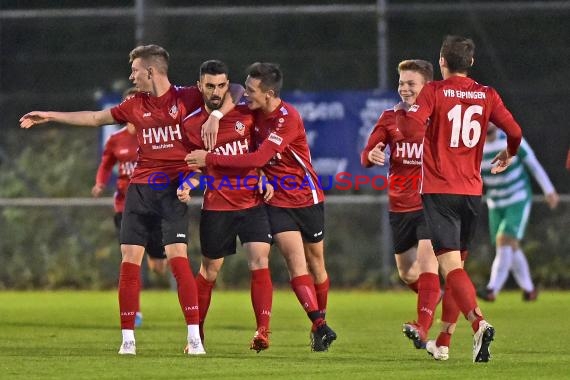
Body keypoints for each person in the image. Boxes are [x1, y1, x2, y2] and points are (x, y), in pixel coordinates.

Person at [20, 44, 244, 356]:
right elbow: (96, 117)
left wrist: (216, 115)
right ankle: (128, 340)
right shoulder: (134, 104)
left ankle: (194, 338)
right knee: (129, 259)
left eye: (135, 70)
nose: (131, 75)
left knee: (179, 257)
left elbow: (236, 87)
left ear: (151, 71)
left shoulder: (186, 96)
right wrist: (50, 115)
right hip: (140, 191)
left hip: (172, 190)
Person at [186, 62, 337, 352]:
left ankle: (320, 321)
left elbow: (257, 158)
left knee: (316, 263)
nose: (246, 96)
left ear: (268, 94)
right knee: (294, 262)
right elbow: (237, 89)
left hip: (306, 195)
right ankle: (318, 325)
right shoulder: (249, 112)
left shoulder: (287, 118)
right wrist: (217, 115)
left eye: (253, 91)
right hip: (275, 199)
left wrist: (211, 159)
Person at [395, 35, 523, 362]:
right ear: (471, 63)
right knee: (458, 267)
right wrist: (509, 154)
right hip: (472, 192)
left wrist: (405, 125)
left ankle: (479, 322)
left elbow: (410, 127)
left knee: (450, 267)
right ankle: (444, 341)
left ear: (441, 62)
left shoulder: (434, 92)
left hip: (440, 192)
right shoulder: (487, 94)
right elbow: (516, 132)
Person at [178, 60, 274, 352]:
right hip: (217, 207)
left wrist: (265, 176)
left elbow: (261, 151)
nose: (216, 90)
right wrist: (187, 185)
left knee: (260, 261)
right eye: (210, 85)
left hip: (251, 204)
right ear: (199, 87)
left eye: (221, 85)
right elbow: (193, 166)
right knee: (209, 271)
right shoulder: (190, 125)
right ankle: (198, 333)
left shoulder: (246, 113)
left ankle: (263, 332)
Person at [361, 59, 441, 352]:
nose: (404, 89)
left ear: (427, 87)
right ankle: (434, 298)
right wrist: (373, 154)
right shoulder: (389, 117)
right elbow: (366, 155)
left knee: (427, 262)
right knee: (408, 273)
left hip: (429, 202)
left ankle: (422, 326)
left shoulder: (437, 117)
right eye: (401, 83)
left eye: (411, 84)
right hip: (399, 205)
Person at [92, 87, 169, 327]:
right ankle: (133, 312)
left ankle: (155, 256)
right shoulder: (116, 139)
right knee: (129, 261)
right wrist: (100, 183)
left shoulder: (153, 136)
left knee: (158, 267)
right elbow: (106, 164)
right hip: (124, 206)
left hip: (153, 207)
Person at [477, 123, 559, 302]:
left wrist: (549, 190)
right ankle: (529, 291)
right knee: (510, 246)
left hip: (517, 197)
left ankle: (492, 289)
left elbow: (532, 162)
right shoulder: (475, 143)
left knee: (503, 240)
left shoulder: (511, 139)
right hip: (495, 201)